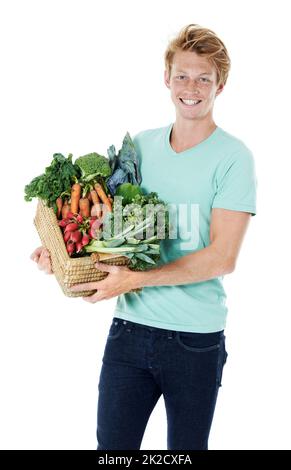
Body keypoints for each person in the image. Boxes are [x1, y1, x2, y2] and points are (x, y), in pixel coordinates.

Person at [31, 24, 257, 450]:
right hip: (128, 332)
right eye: (182, 76)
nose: (191, 87)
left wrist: (132, 281)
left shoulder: (234, 158)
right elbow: (106, 230)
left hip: (195, 339)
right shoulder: (140, 148)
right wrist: (63, 255)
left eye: (203, 78)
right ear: (166, 79)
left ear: (220, 85)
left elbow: (222, 257)